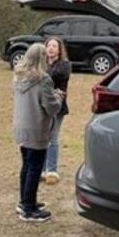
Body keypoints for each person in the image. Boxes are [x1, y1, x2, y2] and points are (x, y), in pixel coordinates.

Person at [12, 42, 62, 223]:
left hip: (21, 127)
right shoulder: (43, 80)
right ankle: (29, 209)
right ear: (41, 59)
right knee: (34, 168)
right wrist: (57, 97)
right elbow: (52, 108)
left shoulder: (18, 76)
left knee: (27, 165)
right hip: (36, 128)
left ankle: (25, 201)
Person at [42, 36, 72, 185]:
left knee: (52, 137)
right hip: (42, 106)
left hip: (57, 107)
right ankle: (42, 170)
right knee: (42, 137)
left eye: (54, 46)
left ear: (59, 50)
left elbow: (51, 78)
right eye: (49, 45)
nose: (51, 48)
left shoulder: (64, 65)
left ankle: (52, 170)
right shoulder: (42, 64)